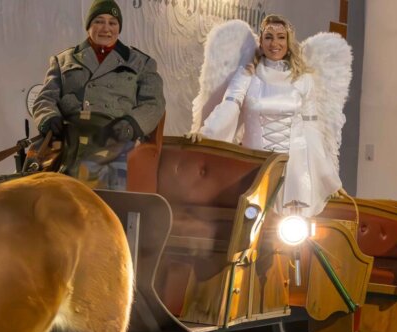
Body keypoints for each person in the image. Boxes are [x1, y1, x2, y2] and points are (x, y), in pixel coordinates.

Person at [190, 15, 352, 216]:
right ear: (261, 41)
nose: (274, 43)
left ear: (288, 41)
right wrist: (205, 134)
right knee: (251, 225)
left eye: (280, 37)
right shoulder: (247, 74)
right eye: (268, 37)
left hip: (295, 169)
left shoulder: (304, 79)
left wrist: (330, 178)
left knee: (291, 236)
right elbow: (229, 107)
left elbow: (312, 132)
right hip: (256, 167)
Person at [31, 0, 165, 190]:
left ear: (119, 27)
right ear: (88, 26)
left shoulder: (141, 63)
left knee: (83, 176)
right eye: (99, 21)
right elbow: (45, 98)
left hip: (112, 135)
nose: (106, 28)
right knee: (30, 173)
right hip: (69, 133)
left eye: (113, 23)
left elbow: (154, 103)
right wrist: (49, 117)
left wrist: (131, 125)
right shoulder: (63, 60)